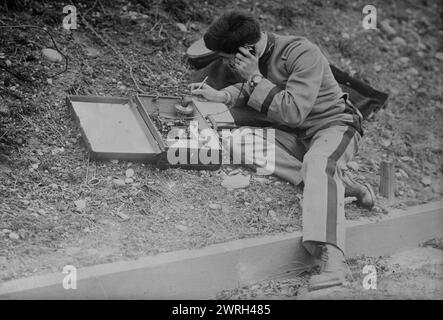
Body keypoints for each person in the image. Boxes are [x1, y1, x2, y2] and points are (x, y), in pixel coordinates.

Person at [189, 11, 375, 290]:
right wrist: (222, 96)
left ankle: (334, 261)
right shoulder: (258, 57)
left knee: (319, 160)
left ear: (247, 50)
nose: (227, 65)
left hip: (334, 126)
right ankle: (337, 184)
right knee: (237, 140)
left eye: (229, 59)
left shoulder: (302, 53)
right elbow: (256, 89)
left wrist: (253, 78)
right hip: (295, 135)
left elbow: (292, 111)